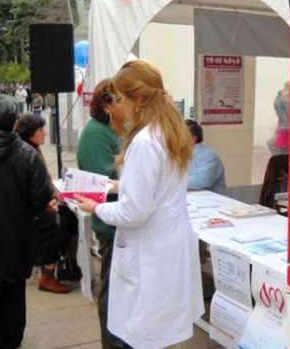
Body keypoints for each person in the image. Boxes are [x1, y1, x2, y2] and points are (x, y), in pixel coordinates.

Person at [76, 60, 204, 349]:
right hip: (167, 244)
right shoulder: (171, 131)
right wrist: (120, 186)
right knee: (161, 330)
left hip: (150, 250)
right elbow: (160, 186)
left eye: (120, 98)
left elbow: (134, 211)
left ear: (137, 99)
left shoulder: (145, 142)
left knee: (144, 332)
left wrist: (94, 208)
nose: (118, 105)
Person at [0, 94, 53, 349]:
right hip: (17, 235)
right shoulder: (27, 154)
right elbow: (40, 196)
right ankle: (10, 339)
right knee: (13, 289)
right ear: (14, 121)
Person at [76, 79, 126, 349]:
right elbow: (101, 180)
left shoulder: (114, 128)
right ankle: (112, 343)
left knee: (121, 291)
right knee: (111, 291)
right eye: (122, 100)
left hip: (123, 220)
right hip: (111, 223)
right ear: (108, 106)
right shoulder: (96, 134)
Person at [15, 114, 81, 294]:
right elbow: (32, 190)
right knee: (58, 224)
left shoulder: (32, 149)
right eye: (40, 130)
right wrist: (49, 202)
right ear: (30, 134)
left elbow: (44, 182)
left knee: (69, 215)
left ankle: (66, 264)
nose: (44, 134)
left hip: (38, 204)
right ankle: (47, 274)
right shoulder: (27, 154)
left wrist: (56, 194)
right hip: (32, 210)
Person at [185, 119, 227, 195]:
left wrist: (172, 182)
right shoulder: (183, 155)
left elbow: (201, 182)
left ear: (193, 139)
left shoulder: (209, 157)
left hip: (213, 204)